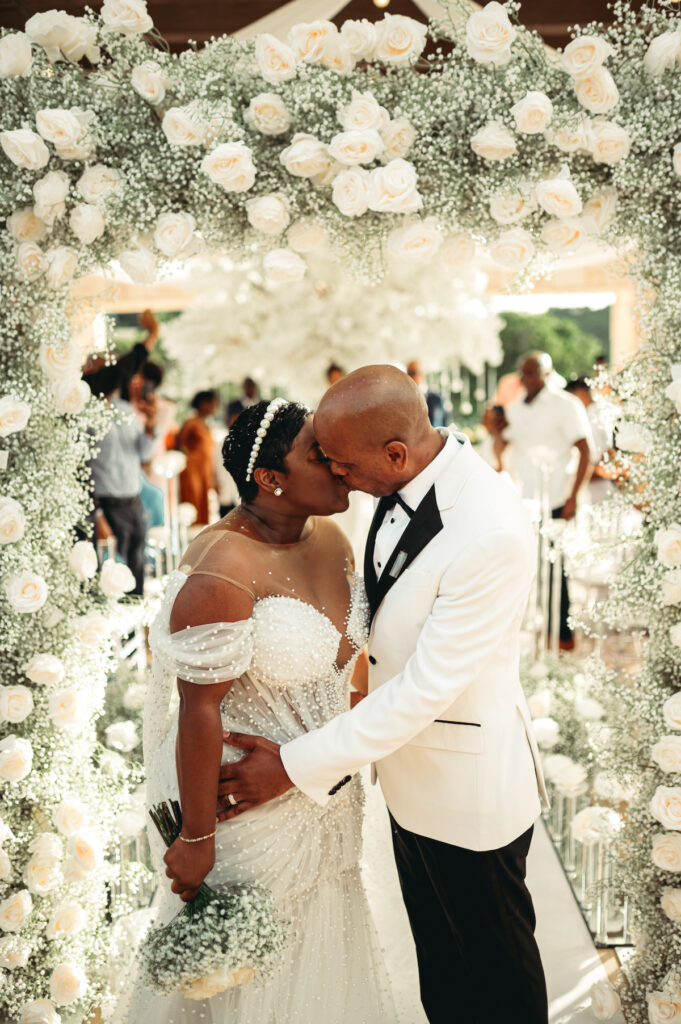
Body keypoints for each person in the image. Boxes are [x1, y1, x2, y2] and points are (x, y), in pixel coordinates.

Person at [215, 366, 549, 1024]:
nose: (337, 477)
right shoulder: (405, 477)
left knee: (497, 981)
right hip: (410, 782)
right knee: (445, 979)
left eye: (341, 465)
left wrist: (288, 765)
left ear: (394, 454)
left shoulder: (487, 532)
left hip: (465, 797)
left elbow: (422, 690)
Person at [129, 400, 395, 1023]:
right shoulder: (222, 568)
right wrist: (197, 838)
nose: (336, 465)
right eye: (317, 455)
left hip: (326, 801)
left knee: (323, 963)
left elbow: (349, 659)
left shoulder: (332, 537)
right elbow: (197, 711)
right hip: (248, 810)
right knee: (246, 984)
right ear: (271, 479)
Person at [493, 352, 594, 649]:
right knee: (524, 565)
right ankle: (532, 630)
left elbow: (586, 450)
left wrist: (573, 497)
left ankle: (562, 635)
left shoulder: (566, 405)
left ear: (548, 374)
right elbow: (503, 446)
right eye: (524, 373)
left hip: (556, 497)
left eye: (534, 373)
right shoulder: (516, 407)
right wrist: (495, 431)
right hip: (523, 498)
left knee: (556, 569)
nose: (528, 379)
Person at [88, 373, 159, 596]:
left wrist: (150, 425)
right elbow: (81, 468)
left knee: (137, 567)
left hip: (134, 502)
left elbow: (144, 454)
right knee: (112, 573)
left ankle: (133, 625)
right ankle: (114, 628)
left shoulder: (125, 409)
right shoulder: (85, 414)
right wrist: (97, 514)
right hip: (108, 505)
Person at [564, 377, 615, 503]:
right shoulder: (592, 412)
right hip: (593, 477)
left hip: (599, 478)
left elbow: (603, 450)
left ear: (581, 391)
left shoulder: (595, 414)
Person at [176, 390, 220, 526]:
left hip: (204, 471)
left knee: (203, 505)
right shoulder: (191, 422)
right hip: (192, 471)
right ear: (203, 404)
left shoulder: (205, 423)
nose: (215, 406)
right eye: (213, 403)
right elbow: (179, 444)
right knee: (193, 502)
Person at [406, 359, 446, 427]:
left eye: (414, 372)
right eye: (409, 373)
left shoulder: (436, 398)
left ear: (422, 374)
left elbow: (443, 422)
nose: (411, 376)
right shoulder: (404, 398)